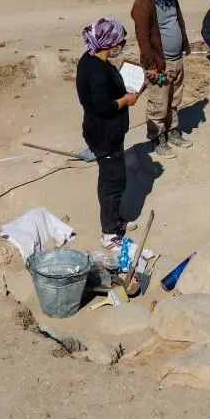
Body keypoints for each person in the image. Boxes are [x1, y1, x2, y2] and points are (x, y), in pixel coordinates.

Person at [76, 17, 143, 249]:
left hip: (109, 132)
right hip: (104, 134)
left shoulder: (91, 60)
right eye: (120, 41)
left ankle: (114, 220)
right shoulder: (95, 70)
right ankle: (109, 233)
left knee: (117, 177)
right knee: (111, 182)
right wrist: (126, 99)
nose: (121, 45)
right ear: (109, 42)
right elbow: (102, 106)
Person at [132, 0, 192, 159]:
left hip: (176, 59)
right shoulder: (143, 3)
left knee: (174, 99)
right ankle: (157, 139)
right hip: (159, 63)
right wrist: (151, 66)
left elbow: (177, 21)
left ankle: (173, 131)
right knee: (158, 103)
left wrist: (183, 46)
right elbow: (143, 37)